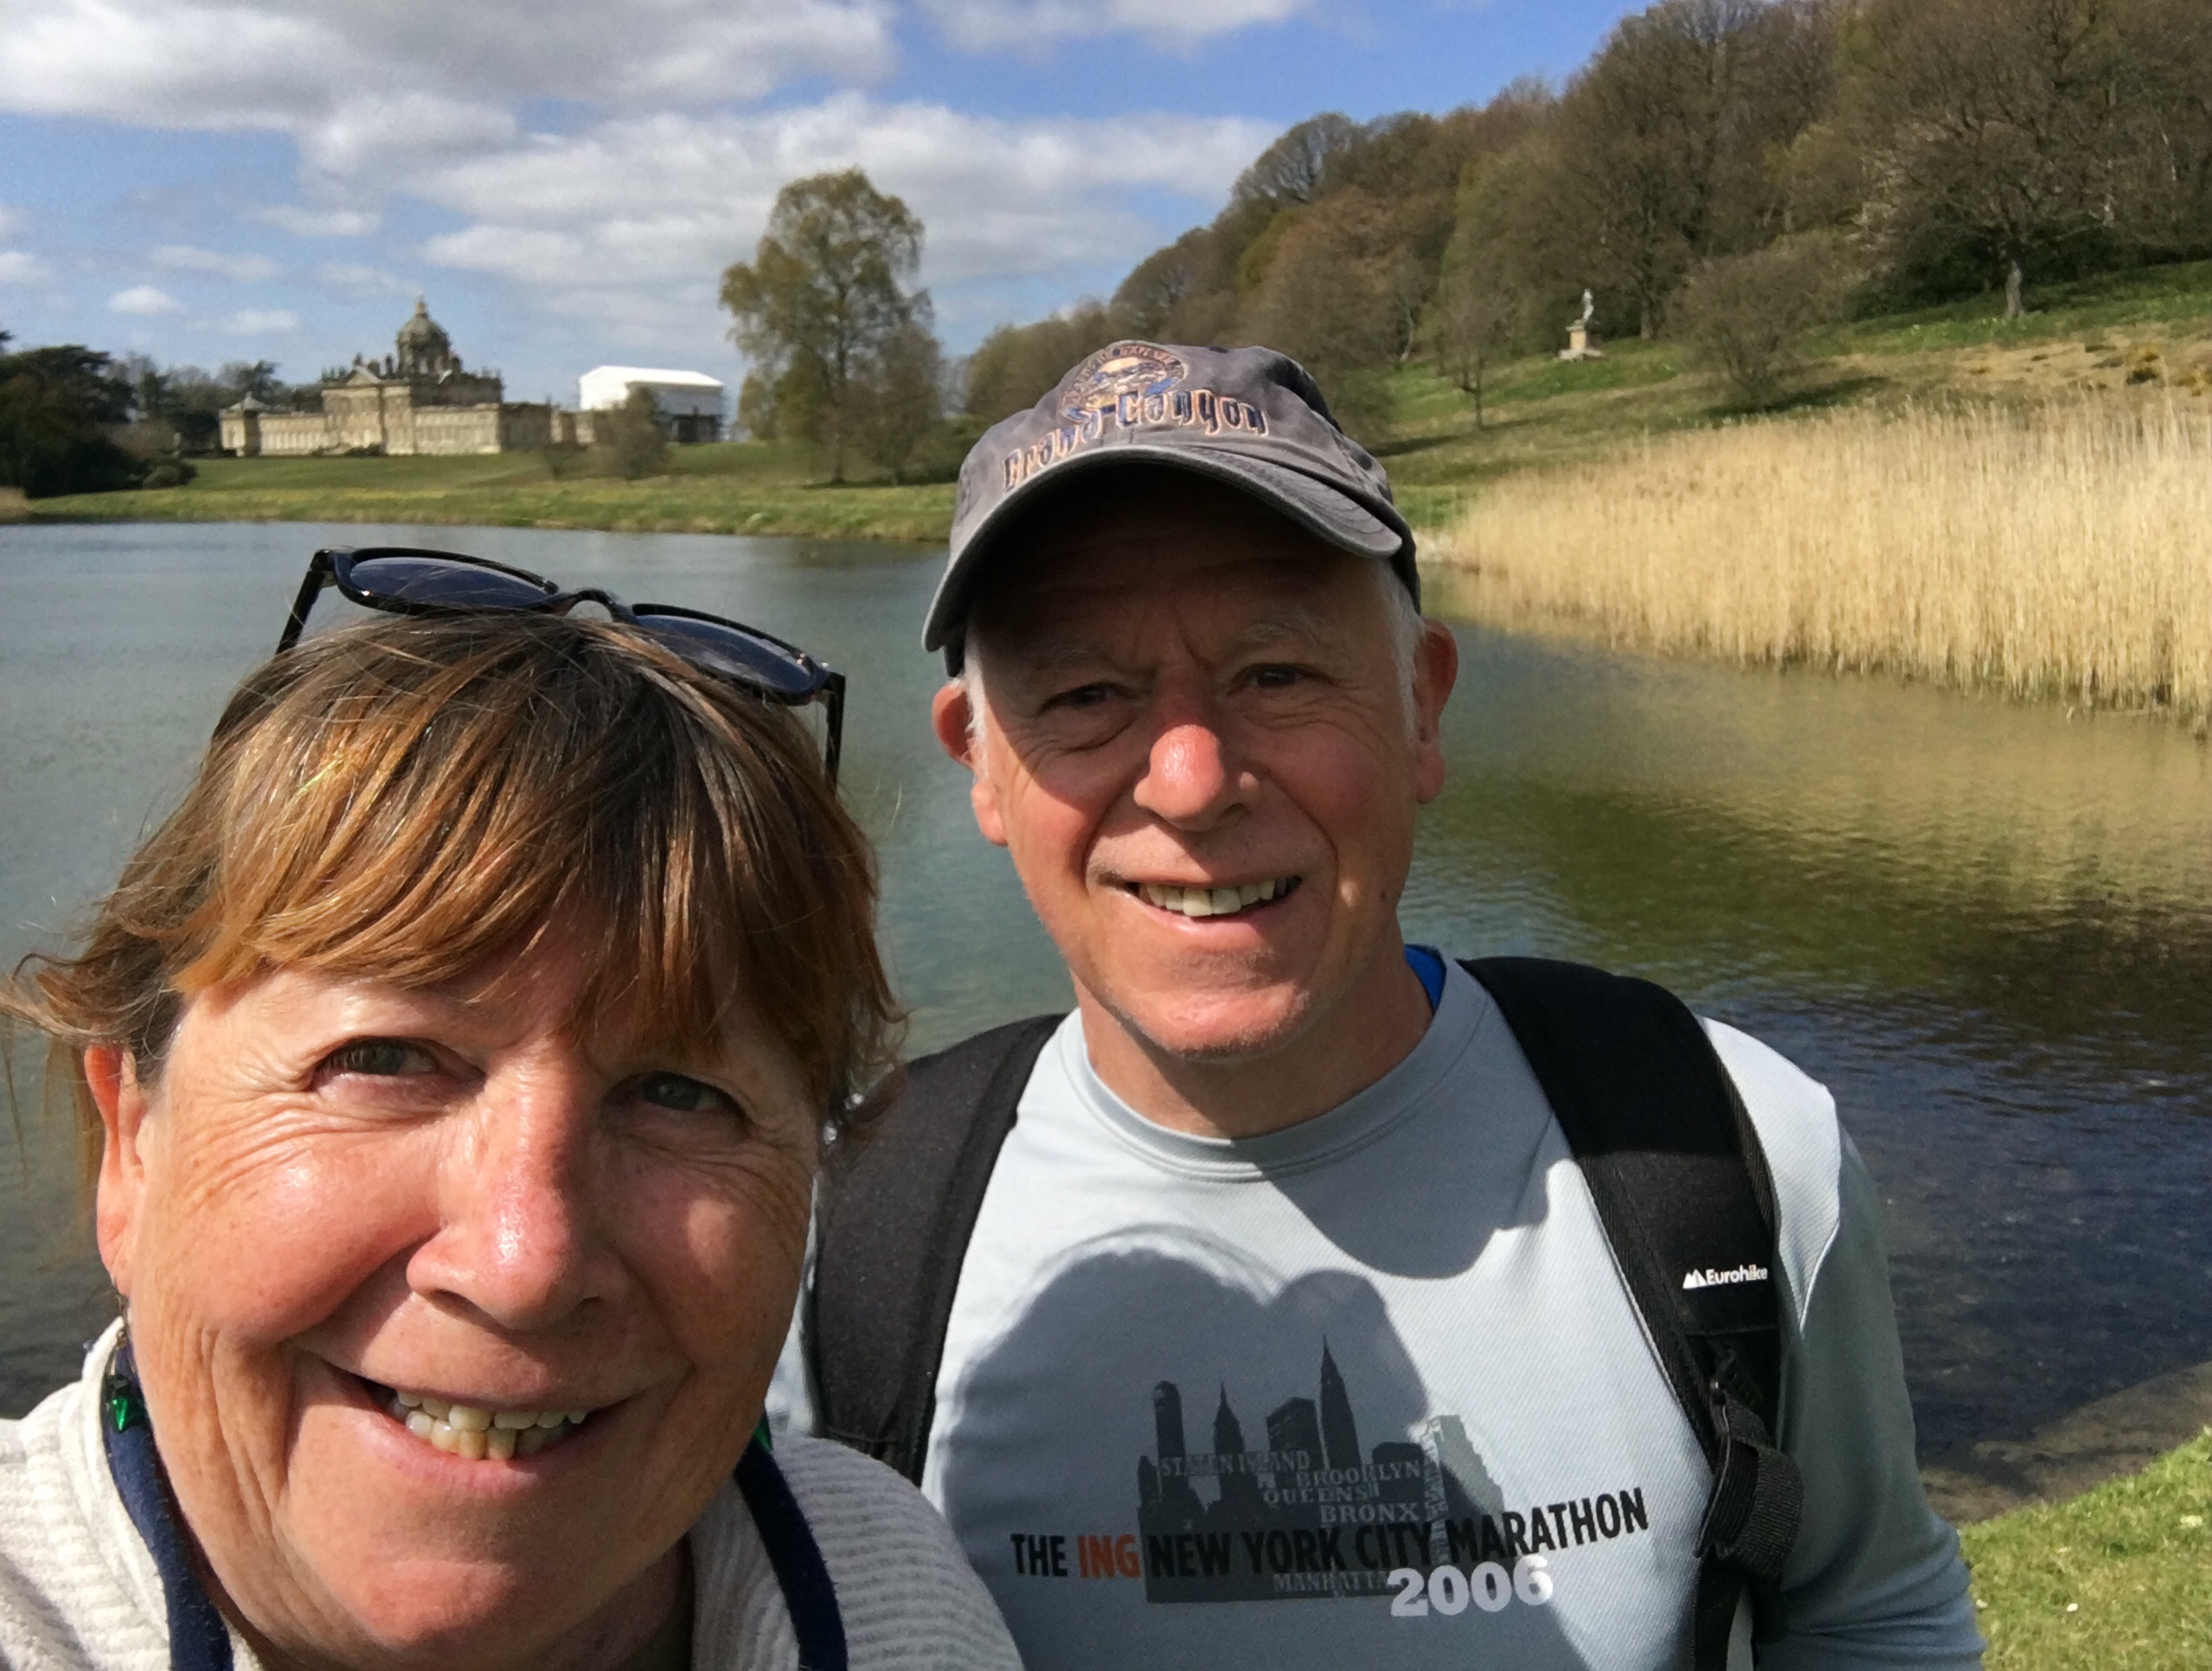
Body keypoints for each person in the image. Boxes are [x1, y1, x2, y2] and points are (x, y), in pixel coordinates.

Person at [773, 345, 1983, 1668]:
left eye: (1279, 674)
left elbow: (1874, 1614)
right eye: (1084, 697)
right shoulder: (828, 1233)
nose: (1190, 782)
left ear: (1422, 707)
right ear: (981, 764)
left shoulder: (1731, 1151)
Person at [0, 547, 1023, 1671]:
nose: (527, 1269)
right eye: (385, 1059)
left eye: (679, 1095)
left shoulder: (889, 1593)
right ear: (133, 1145)